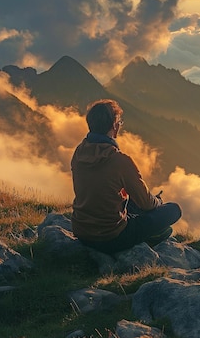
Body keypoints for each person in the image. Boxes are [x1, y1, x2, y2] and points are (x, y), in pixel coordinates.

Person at [70, 99, 181, 254]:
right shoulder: (120, 160)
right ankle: (154, 235)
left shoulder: (79, 152)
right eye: (119, 123)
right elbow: (146, 203)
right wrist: (158, 202)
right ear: (114, 127)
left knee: (132, 203)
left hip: (82, 231)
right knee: (174, 210)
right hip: (112, 237)